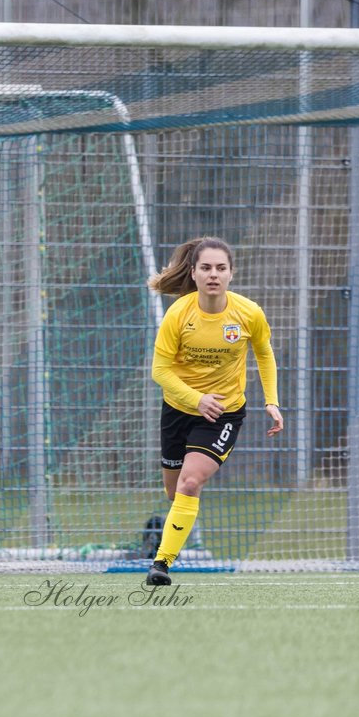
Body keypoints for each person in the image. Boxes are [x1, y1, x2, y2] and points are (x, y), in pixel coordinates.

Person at [144, 236, 284, 586]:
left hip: (224, 412)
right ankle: (170, 544)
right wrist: (196, 399)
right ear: (193, 273)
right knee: (175, 493)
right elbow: (159, 371)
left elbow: (264, 354)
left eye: (221, 268)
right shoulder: (179, 313)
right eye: (206, 267)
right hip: (179, 409)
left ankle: (161, 563)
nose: (213, 274)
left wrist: (272, 401)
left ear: (231, 274)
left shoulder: (248, 313)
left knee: (191, 482)